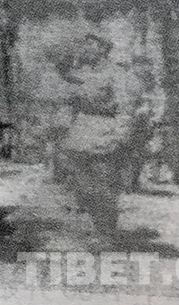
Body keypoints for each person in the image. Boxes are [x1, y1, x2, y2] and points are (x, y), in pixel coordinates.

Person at [57, 33, 128, 233]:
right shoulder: (83, 72)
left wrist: (121, 134)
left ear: (103, 49)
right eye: (85, 44)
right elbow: (63, 72)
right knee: (82, 184)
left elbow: (125, 106)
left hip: (105, 131)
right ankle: (97, 221)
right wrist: (69, 51)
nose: (86, 48)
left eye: (91, 44)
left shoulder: (116, 73)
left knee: (104, 183)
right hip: (81, 131)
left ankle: (106, 229)